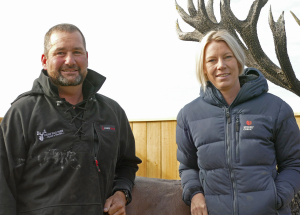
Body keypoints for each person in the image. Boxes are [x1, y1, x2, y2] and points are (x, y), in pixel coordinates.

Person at [0, 23, 141, 215]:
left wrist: (121, 192)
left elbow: (127, 164)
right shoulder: (22, 113)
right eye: (60, 53)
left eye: (77, 52)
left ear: (87, 57)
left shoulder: (112, 112)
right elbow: (3, 185)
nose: (70, 60)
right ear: (44, 60)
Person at [176, 30, 300, 215]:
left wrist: (277, 198)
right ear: (203, 67)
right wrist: (195, 194)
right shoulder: (189, 115)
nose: (221, 65)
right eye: (212, 60)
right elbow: (188, 167)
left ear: (239, 61)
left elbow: (294, 163)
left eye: (228, 57)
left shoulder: (276, 108)